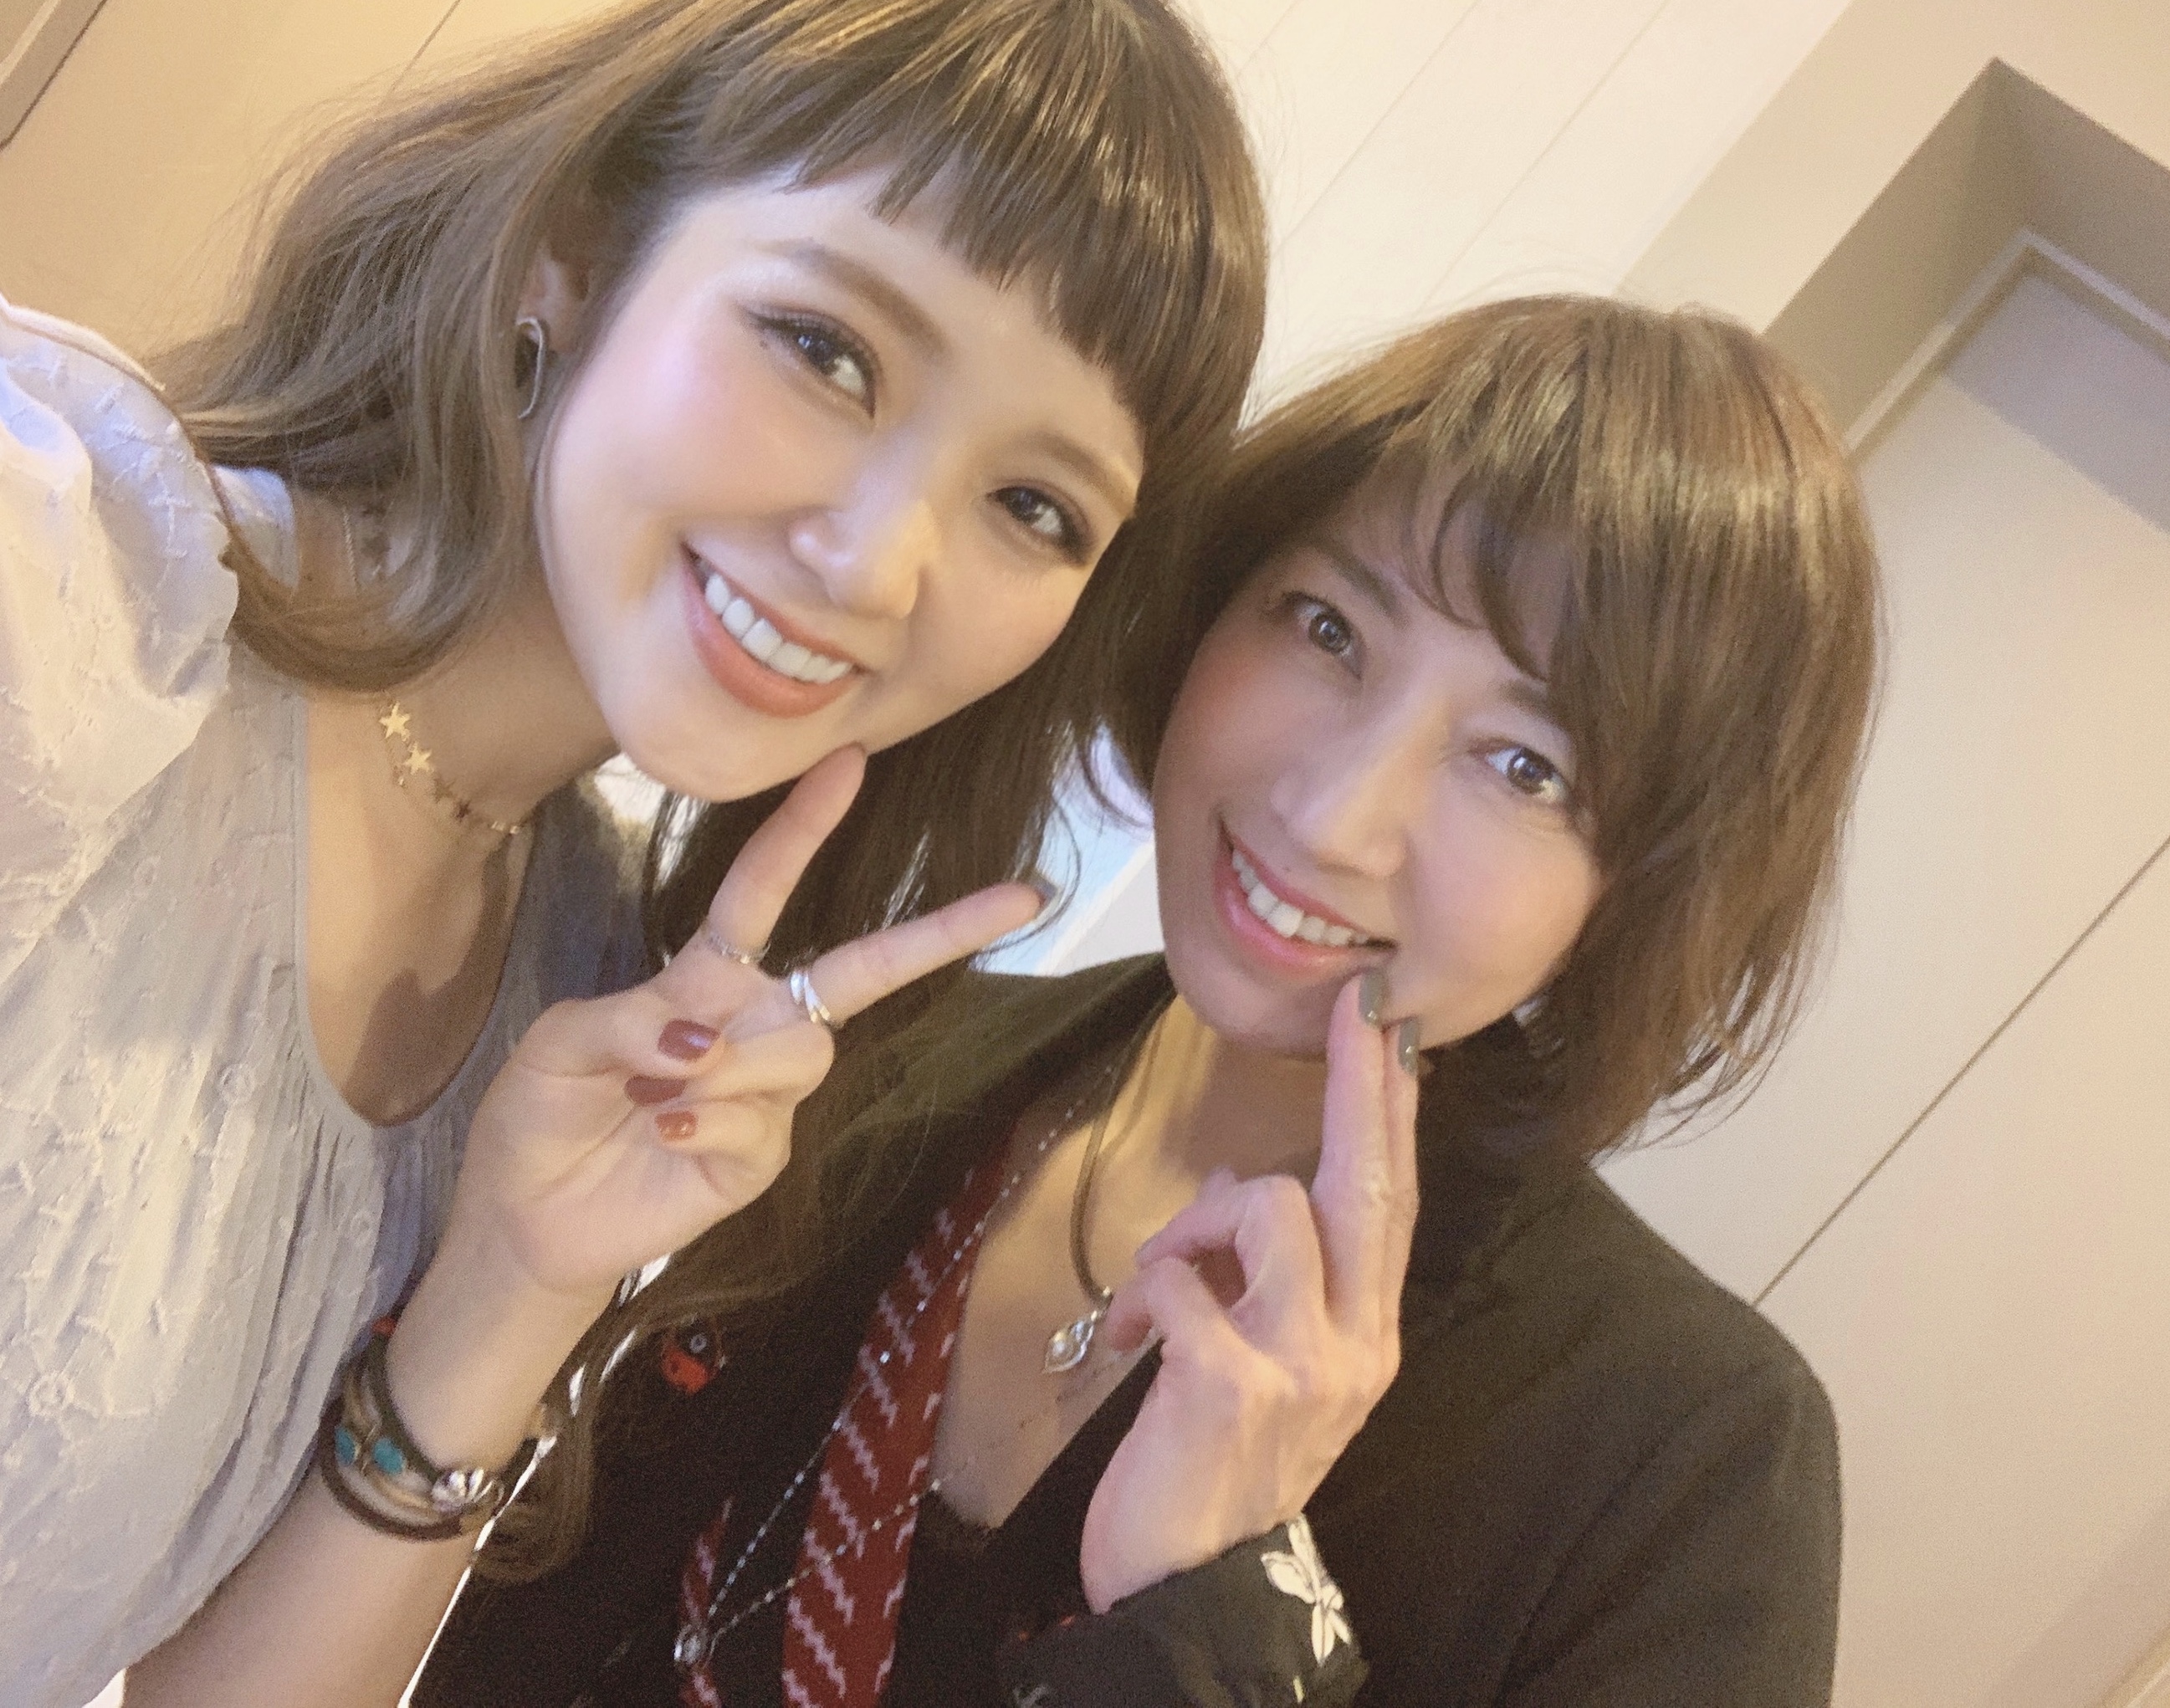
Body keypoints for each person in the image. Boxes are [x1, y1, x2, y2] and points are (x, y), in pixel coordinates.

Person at [0, 0, 1267, 1700]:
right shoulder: (72, 598)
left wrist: (507, 1294)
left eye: (1032, 506)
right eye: (827, 349)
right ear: (578, 253)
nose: (876, 562)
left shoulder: (580, 970)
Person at [407, 294, 1882, 1707]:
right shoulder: (894, 1069)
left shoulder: (1676, 1466)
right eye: (1327, 627)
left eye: (1524, 767)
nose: (1333, 815)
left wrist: (1210, 1625)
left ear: (1644, 891)